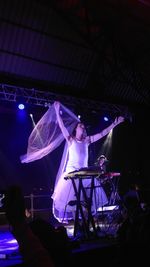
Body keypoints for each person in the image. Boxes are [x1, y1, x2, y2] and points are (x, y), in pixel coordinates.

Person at [51, 101, 124, 223]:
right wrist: (57, 112)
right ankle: (79, 226)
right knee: (73, 201)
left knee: (86, 199)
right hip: (72, 172)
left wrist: (115, 123)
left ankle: (86, 223)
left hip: (84, 172)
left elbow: (102, 133)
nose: (82, 126)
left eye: (83, 125)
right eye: (80, 125)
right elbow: (62, 126)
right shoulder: (70, 140)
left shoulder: (87, 140)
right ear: (75, 129)